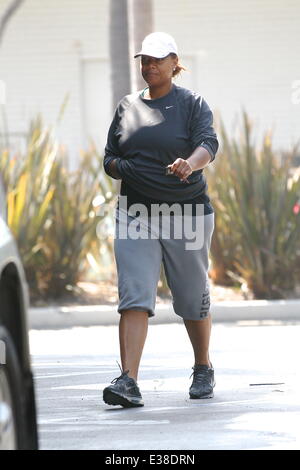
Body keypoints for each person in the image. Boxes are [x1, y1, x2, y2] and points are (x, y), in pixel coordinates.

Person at [102, 32, 219, 408]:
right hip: (135, 212)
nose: (149, 66)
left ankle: (203, 366)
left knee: (190, 297)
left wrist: (190, 163)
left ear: (174, 63)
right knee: (134, 294)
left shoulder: (191, 103)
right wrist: (123, 167)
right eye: (144, 60)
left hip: (185, 212)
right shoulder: (126, 107)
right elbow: (109, 158)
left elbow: (208, 144)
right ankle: (128, 381)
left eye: (156, 60)